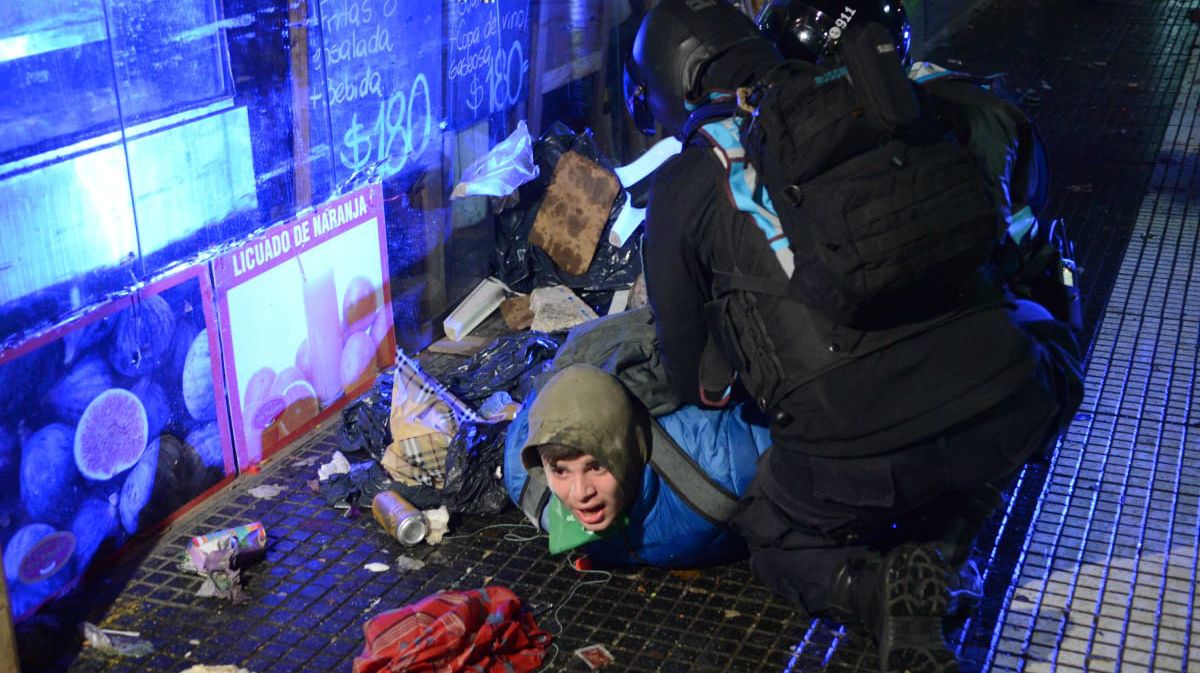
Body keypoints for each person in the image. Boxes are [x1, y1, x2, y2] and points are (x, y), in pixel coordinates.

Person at [623, 1, 1084, 671]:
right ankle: (950, 540)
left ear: (672, 85)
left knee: (774, 534)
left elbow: (690, 377)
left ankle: (879, 594)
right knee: (1033, 348)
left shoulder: (686, 178)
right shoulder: (876, 93)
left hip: (856, 458)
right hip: (1008, 397)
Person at [502, 308, 773, 567]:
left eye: (596, 466)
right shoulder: (526, 478)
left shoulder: (725, 464)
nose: (581, 493)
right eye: (560, 471)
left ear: (631, 450)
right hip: (596, 354)